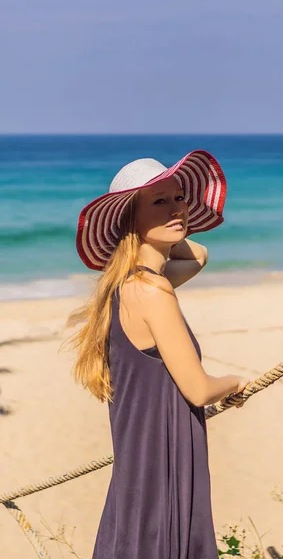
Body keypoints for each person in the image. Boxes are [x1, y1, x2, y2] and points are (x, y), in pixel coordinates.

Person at [67, 149, 250, 558]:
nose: (176, 210)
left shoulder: (128, 287)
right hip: (162, 457)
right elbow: (199, 390)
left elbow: (199, 256)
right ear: (129, 218)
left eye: (179, 198)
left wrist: (164, 226)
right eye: (159, 201)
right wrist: (237, 382)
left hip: (140, 459)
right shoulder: (153, 291)